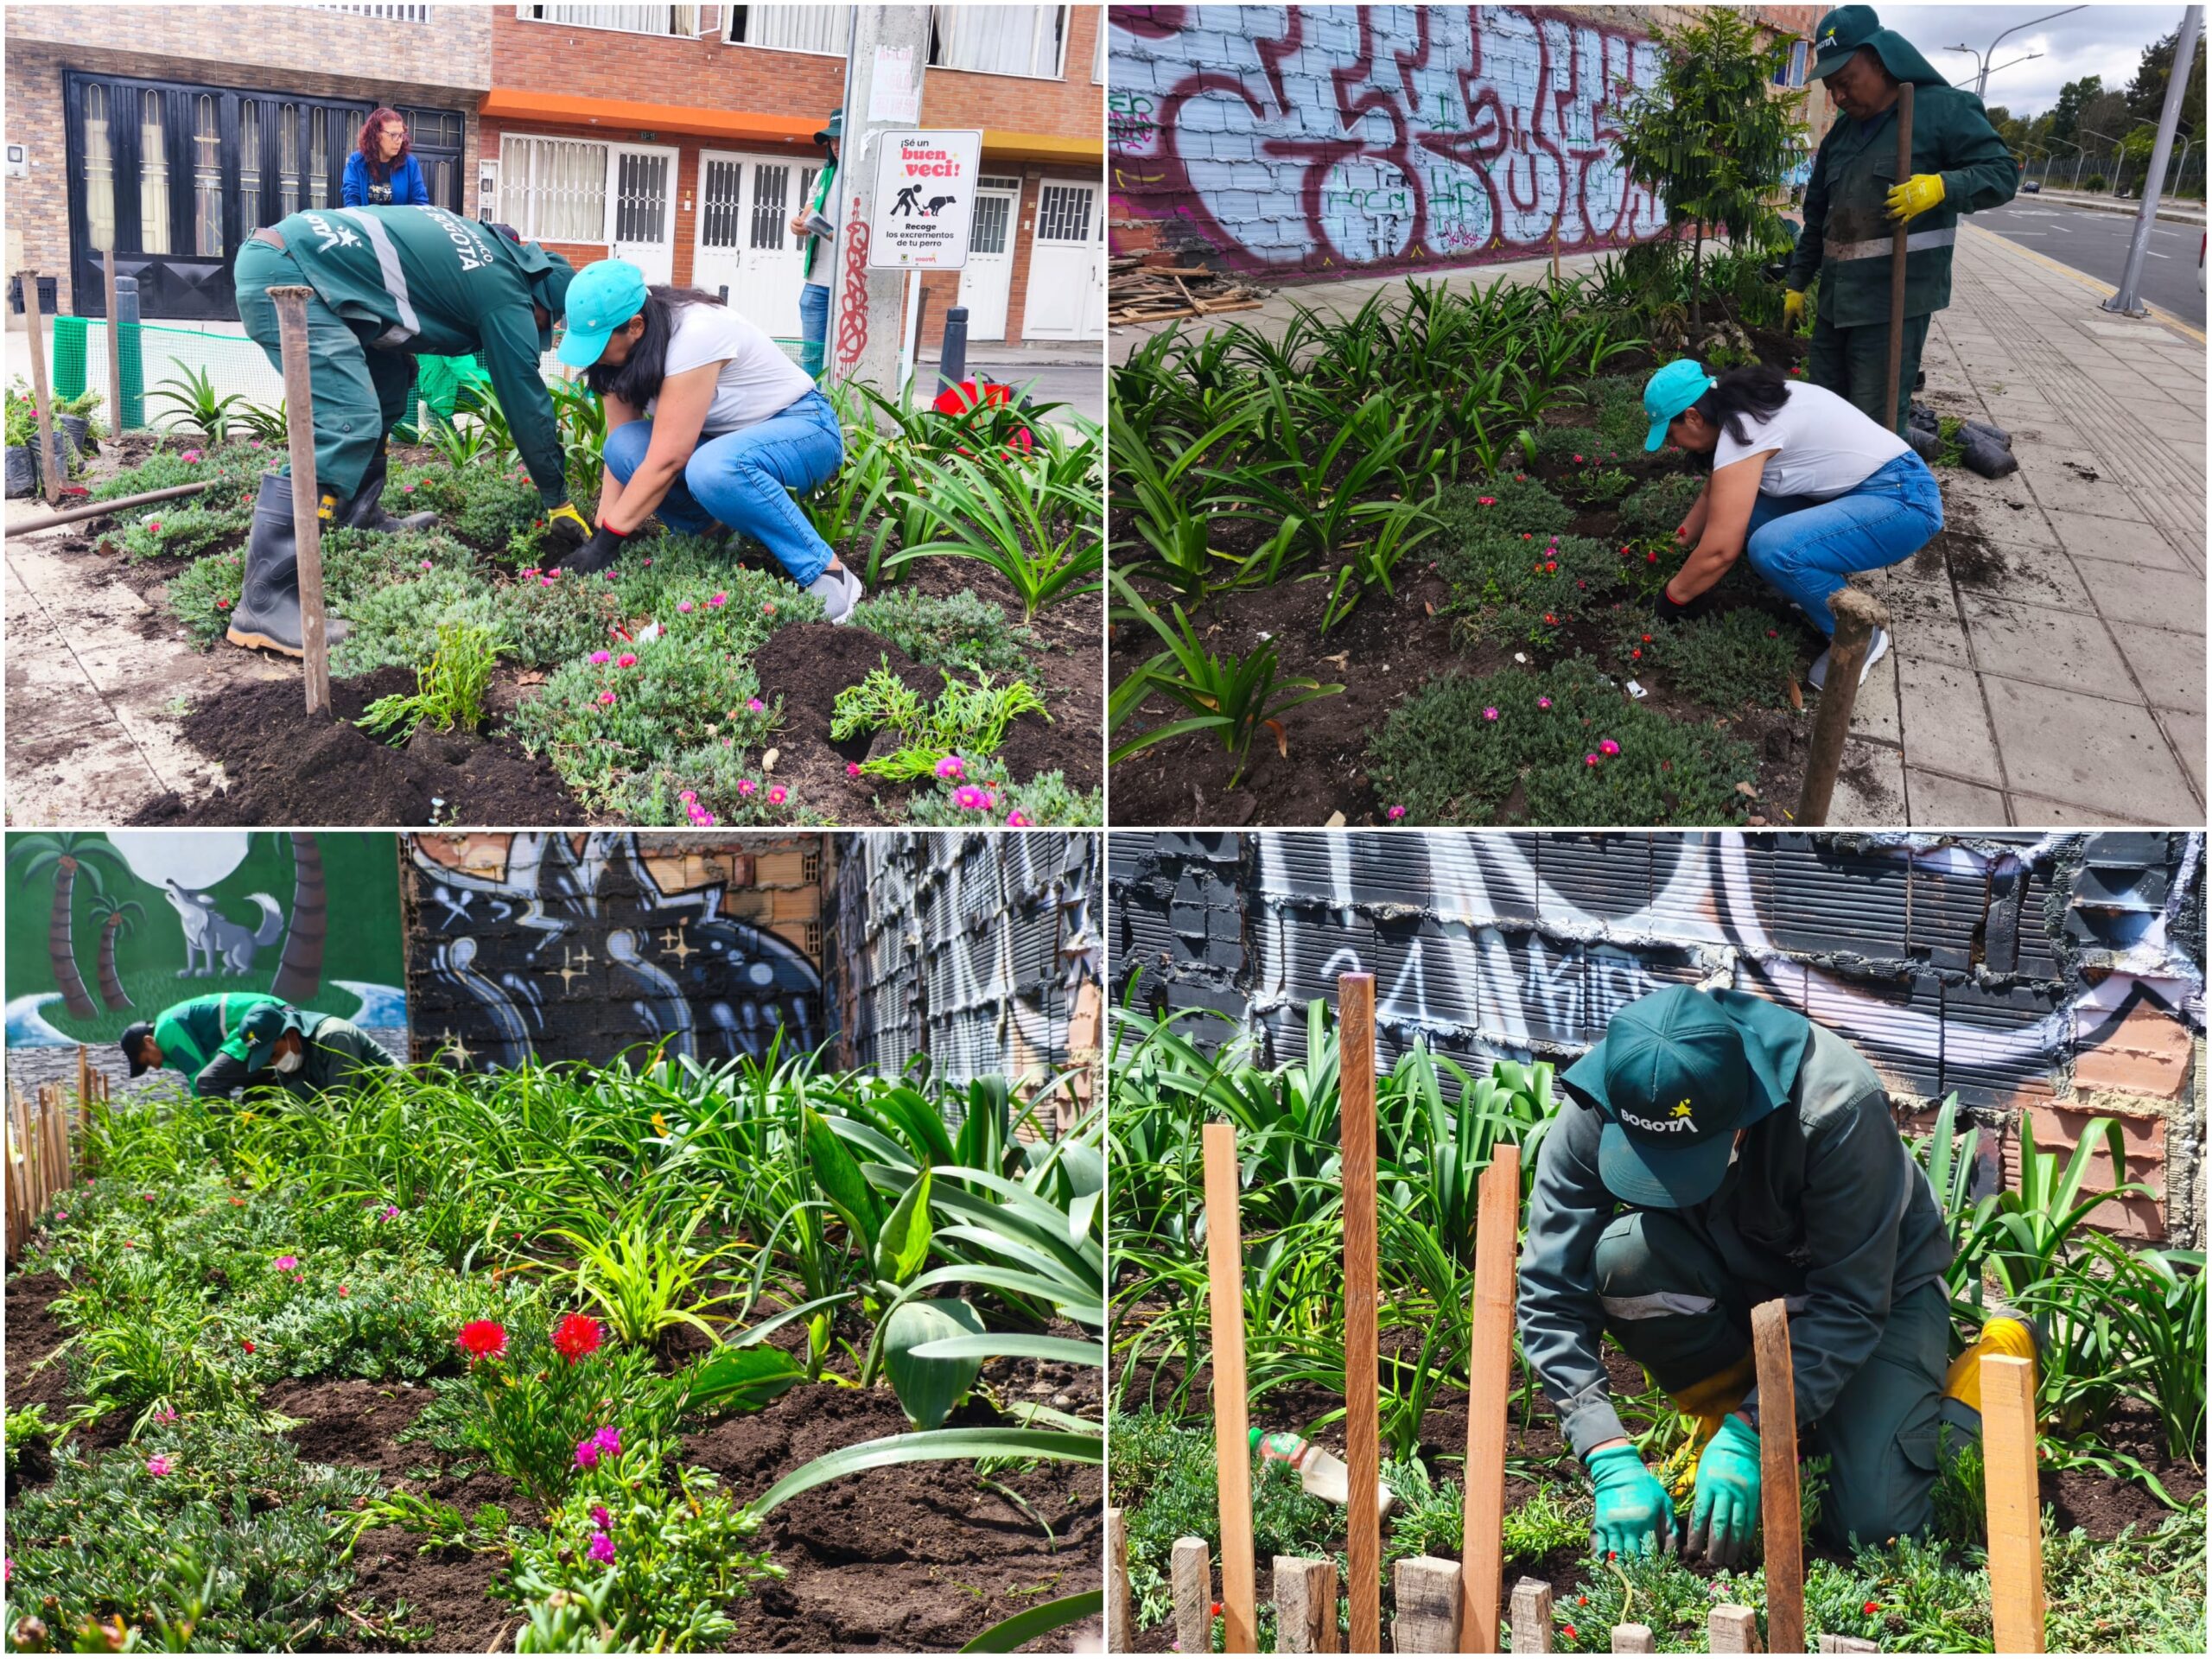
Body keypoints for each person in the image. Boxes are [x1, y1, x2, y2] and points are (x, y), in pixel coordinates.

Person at [1516, 983, 2038, 1565]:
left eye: (1686, 1166)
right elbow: (1550, 1294)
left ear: (1744, 1117)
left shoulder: (1835, 1106)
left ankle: (1994, 1360)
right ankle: (1725, 1429)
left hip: (1871, 1293)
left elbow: (1852, 1302)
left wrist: (1754, 1432)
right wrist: (1606, 1451)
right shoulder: (1607, 1098)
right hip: (1734, 1280)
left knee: (1877, 1524)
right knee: (1625, 1259)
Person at [229, 206, 594, 655]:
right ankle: (264, 600)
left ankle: (357, 513)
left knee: (387, 390)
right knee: (347, 421)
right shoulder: (506, 291)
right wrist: (558, 499)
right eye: (547, 321)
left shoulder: (488, 250)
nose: (541, 328)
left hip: (306, 264)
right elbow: (525, 398)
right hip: (292, 277)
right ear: (539, 298)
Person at [547, 258, 863, 620]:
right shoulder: (616, 358)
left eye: (598, 344)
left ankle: (828, 571)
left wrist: (608, 543)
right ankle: (710, 536)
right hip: (726, 443)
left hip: (802, 431)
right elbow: (621, 447)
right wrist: (601, 535)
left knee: (712, 468)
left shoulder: (694, 334)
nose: (593, 357)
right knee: (625, 448)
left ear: (635, 326)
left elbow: (668, 458)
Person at [1642, 358, 1942, 690]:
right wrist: (1676, 544)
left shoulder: (1746, 429)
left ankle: (1857, 636)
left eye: (1671, 434)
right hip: (1867, 491)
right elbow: (1715, 495)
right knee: (1745, 510)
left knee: (1773, 549)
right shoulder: (1741, 407)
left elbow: (1720, 553)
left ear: (1693, 417)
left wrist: (1667, 601)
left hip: (1904, 502)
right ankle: (1813, 585)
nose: (1672, 445)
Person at [1784, 6, 2019, 429]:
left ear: (1877, 60)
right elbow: (1818, 214)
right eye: (1831, 88)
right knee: (1823, 415)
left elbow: (2001, 175)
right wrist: (1798, 284)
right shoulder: (1841, 132)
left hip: (1892, 304)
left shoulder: (1942, 111)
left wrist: (1942, 187)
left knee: (1874, 425)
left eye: (1844, 82)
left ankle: (1885, 493)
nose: (1837, 97)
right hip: (1836, 304)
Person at [120, 992, 284, 1097]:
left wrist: (202, 1131)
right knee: (256, 1097)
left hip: (260, 1018)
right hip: (271, 1014)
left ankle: (224, 1146)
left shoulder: (165, 1032)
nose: (155, 1068)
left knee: (208, 1082)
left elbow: (198, 1076)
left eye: (148, 1061)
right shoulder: (169, 1025)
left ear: (149, 1040)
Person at [237, 1001, 399, 1096]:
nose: (275, 1062)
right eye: (269, 1059)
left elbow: (345, 1104)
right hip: (359, 1109)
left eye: (274, 1054)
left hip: (393, 1102)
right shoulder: (287, 1066)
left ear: (291, 1034)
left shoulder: (335, 1036)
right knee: (296, 1092)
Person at [789, 110, 840, 379]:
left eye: (841, 139)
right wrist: (797, 224)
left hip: (849, 282)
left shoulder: (868, 176)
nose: (836, 145)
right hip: (817, 280)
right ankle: (814, 410)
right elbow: (807, 213)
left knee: (845, 354)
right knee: (811, 355)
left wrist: (834, 235)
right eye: (832, 141)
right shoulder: (824, 176)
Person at [341, 107, 431, 207]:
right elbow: (352, 199)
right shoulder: (357, 161)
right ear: (376, 135)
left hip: (399, 222)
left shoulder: (410, 163)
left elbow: (420, 202)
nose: (398, 141)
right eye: (393, 135)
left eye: (401, 135)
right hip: (366, 222)